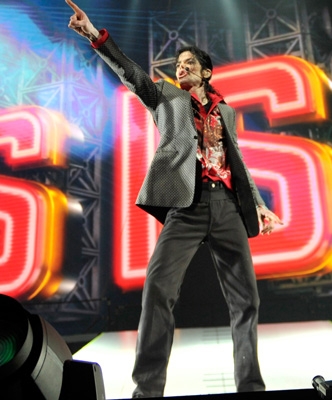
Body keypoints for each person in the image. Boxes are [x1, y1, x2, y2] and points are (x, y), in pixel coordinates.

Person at [66, 0, 283, 397]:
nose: (180, 67)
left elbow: (236, 160)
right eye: (178, 63)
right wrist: (95, 35)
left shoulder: (226, 112)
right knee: (158, 288)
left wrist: (258, 203)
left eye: (188, 63)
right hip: (187, 205)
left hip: (228, 207)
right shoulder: (166, 96)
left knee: (247, 300)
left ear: (206, 72)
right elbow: (131, 73)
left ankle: (251, 386)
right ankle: (147, 389)